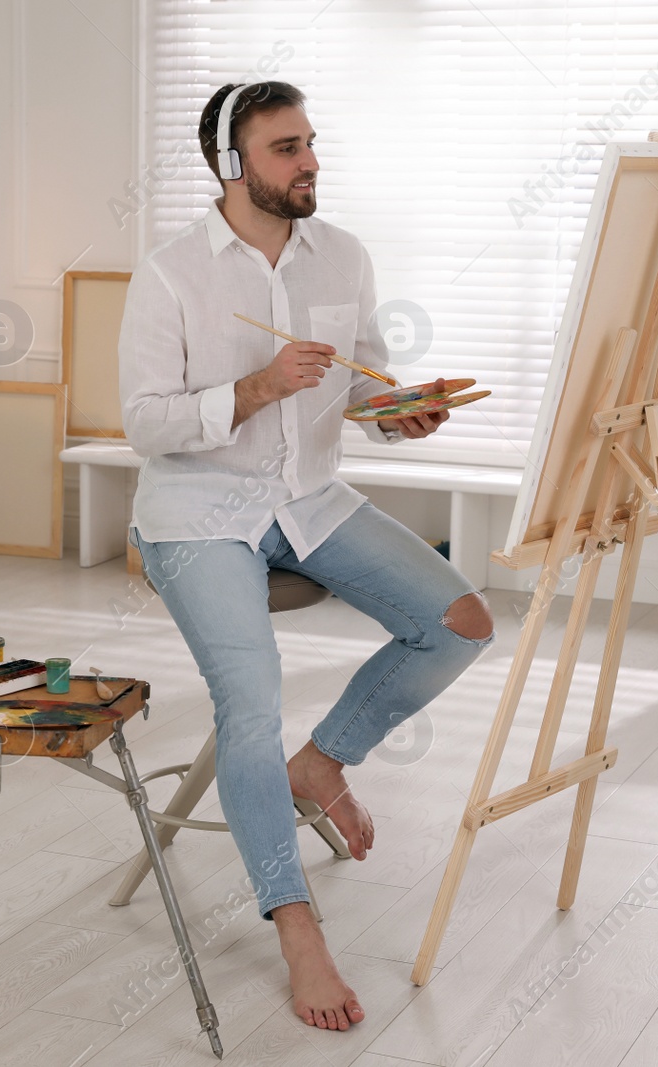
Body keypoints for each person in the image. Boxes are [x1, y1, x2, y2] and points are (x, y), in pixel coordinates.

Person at [118, 81, 495, 1031]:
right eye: (286, 148)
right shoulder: (167, 273)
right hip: (198, 512)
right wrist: (252, 388)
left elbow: (358, 389)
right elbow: (143, 423)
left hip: (310, 499)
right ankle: (296, 927)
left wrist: (398, 416)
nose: (309, 162)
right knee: (250, 706)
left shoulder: (345, 255)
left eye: (310, 144)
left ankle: (323, 763)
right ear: (233, 163)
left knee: (458, 623)